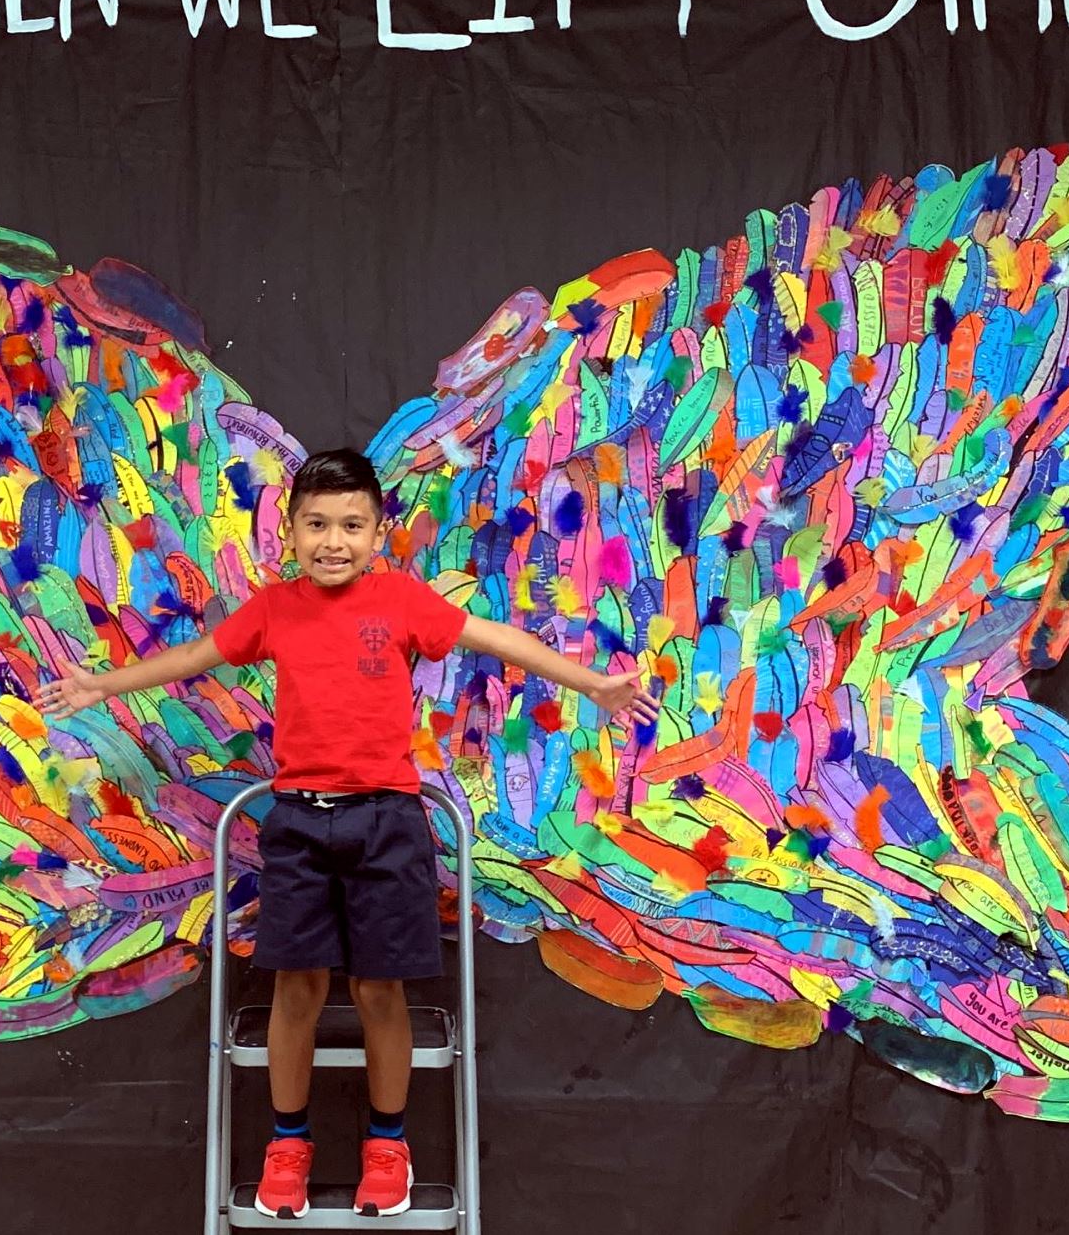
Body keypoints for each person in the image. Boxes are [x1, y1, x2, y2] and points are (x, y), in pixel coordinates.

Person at [38, 448, 658, 1219]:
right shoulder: (274, 608)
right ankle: (287, 1145)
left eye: (351, 526)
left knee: (377, 988)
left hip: (387, 822)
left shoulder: (400, 600)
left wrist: (593, 683)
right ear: (291, 532)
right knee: (296, 986)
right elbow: (194, 655)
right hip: (299, 822)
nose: (333, 541)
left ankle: (388, 1146)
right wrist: (99, 685)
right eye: (317, 525)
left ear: (376, 532)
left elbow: (494, 637)